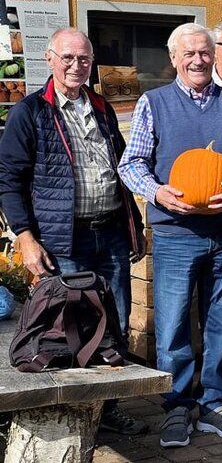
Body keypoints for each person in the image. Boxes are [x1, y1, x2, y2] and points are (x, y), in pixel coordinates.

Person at [118, 23, 222, 448]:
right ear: (174, 59)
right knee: (173, 325)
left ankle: (216, 402)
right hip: (176, 232)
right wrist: (158, 193)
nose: (198, 60)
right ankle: (178, 406)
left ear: (215, 56)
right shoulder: (154, 102)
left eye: (205, 52)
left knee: (221, 324)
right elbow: (131, 164)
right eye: (189, 53)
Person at [0, 27, 148, 435]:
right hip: (62, 239)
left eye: (83, 59)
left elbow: (120, 172)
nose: (75, 66)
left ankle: (107, 409)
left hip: (111, 234)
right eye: (67, 57)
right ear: (49, 59)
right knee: (68, 325)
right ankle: (72, 413)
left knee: (112, 323)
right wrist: (26, 237)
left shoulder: (101, 107)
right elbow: (9, 179)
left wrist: (134, 227)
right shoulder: (30, 111)